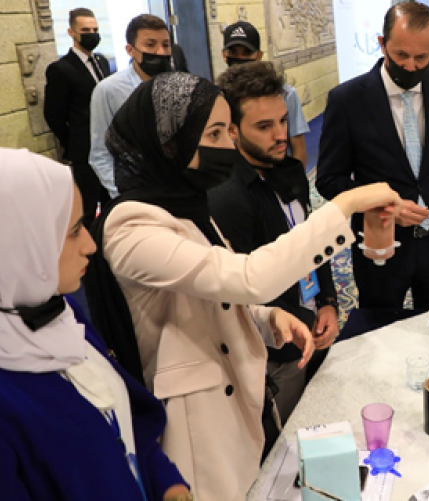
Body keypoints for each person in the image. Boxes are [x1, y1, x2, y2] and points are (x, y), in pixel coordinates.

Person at [84, 72, 402, 500]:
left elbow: (213, 290)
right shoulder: (133, 223)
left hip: (235, 395)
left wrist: (267, 316)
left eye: (228, 131)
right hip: (195, 420)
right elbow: (248, 277)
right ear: (168, 142)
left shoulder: (186, 202)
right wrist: (345, 204)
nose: (228, 145)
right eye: (214, 132)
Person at [0, 147, 190, 501]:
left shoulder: (61, 312)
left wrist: (165, 481)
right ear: (17, 244)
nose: (89, 244)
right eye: (72, 231)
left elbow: (117, 419)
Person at [208, 62, 337, 457]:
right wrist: (299, 321)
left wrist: (328, 301)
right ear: (232, 130)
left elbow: (313, 242)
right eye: (264, 127)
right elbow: (244, 290)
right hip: (278, 348)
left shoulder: (289, 169)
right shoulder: (229, 196)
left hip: (314, 320)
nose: (281, 135)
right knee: (288, 449)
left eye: (282, 120)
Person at [316, 2, 429, 311]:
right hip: (380, 245)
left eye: (422, 57)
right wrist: (384, 205)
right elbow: (328, 179)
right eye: (401, 55)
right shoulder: (347, 100)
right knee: (380, 337)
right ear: (382, 44)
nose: (411, 66)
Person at [89, 14, 173, 199]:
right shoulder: (108, 90)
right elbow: (100, 153)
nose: (160, 52)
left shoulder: (179, 84)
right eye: (150, 45)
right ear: (131, 50)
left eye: (165, 45)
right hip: (135, 193)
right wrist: (123, 193)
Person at [44, 8, 111, 228]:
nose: (92, 34)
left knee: (112, 204)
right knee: (89, 209)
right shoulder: (61, 69)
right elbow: (54, 114)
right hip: (84, 151)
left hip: (108, 147)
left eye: (95, 29)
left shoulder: (102, 62)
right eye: (85, 30)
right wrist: (74, 142)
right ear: (71, 32)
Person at [221, 21, 309, 167]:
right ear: (224, 55)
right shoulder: (218, 97)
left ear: (259, 55)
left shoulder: (284, 94)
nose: (240, 58)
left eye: (247, 52)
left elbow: (298, 146)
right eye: (234, 52)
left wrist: (296, 183)